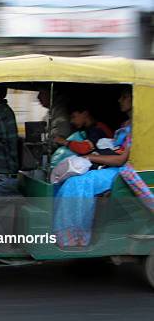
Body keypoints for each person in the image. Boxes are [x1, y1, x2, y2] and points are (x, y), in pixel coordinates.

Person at [52, 87, 133, 247]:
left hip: (123, 170)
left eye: (124, 97)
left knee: (78, 183)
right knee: (67, 180)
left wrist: (89, 156)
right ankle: (63, 232)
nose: (119, 100)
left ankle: (75, 237)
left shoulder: (139, 126)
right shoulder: (126, 124)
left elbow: (121, 159)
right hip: (110, 166)